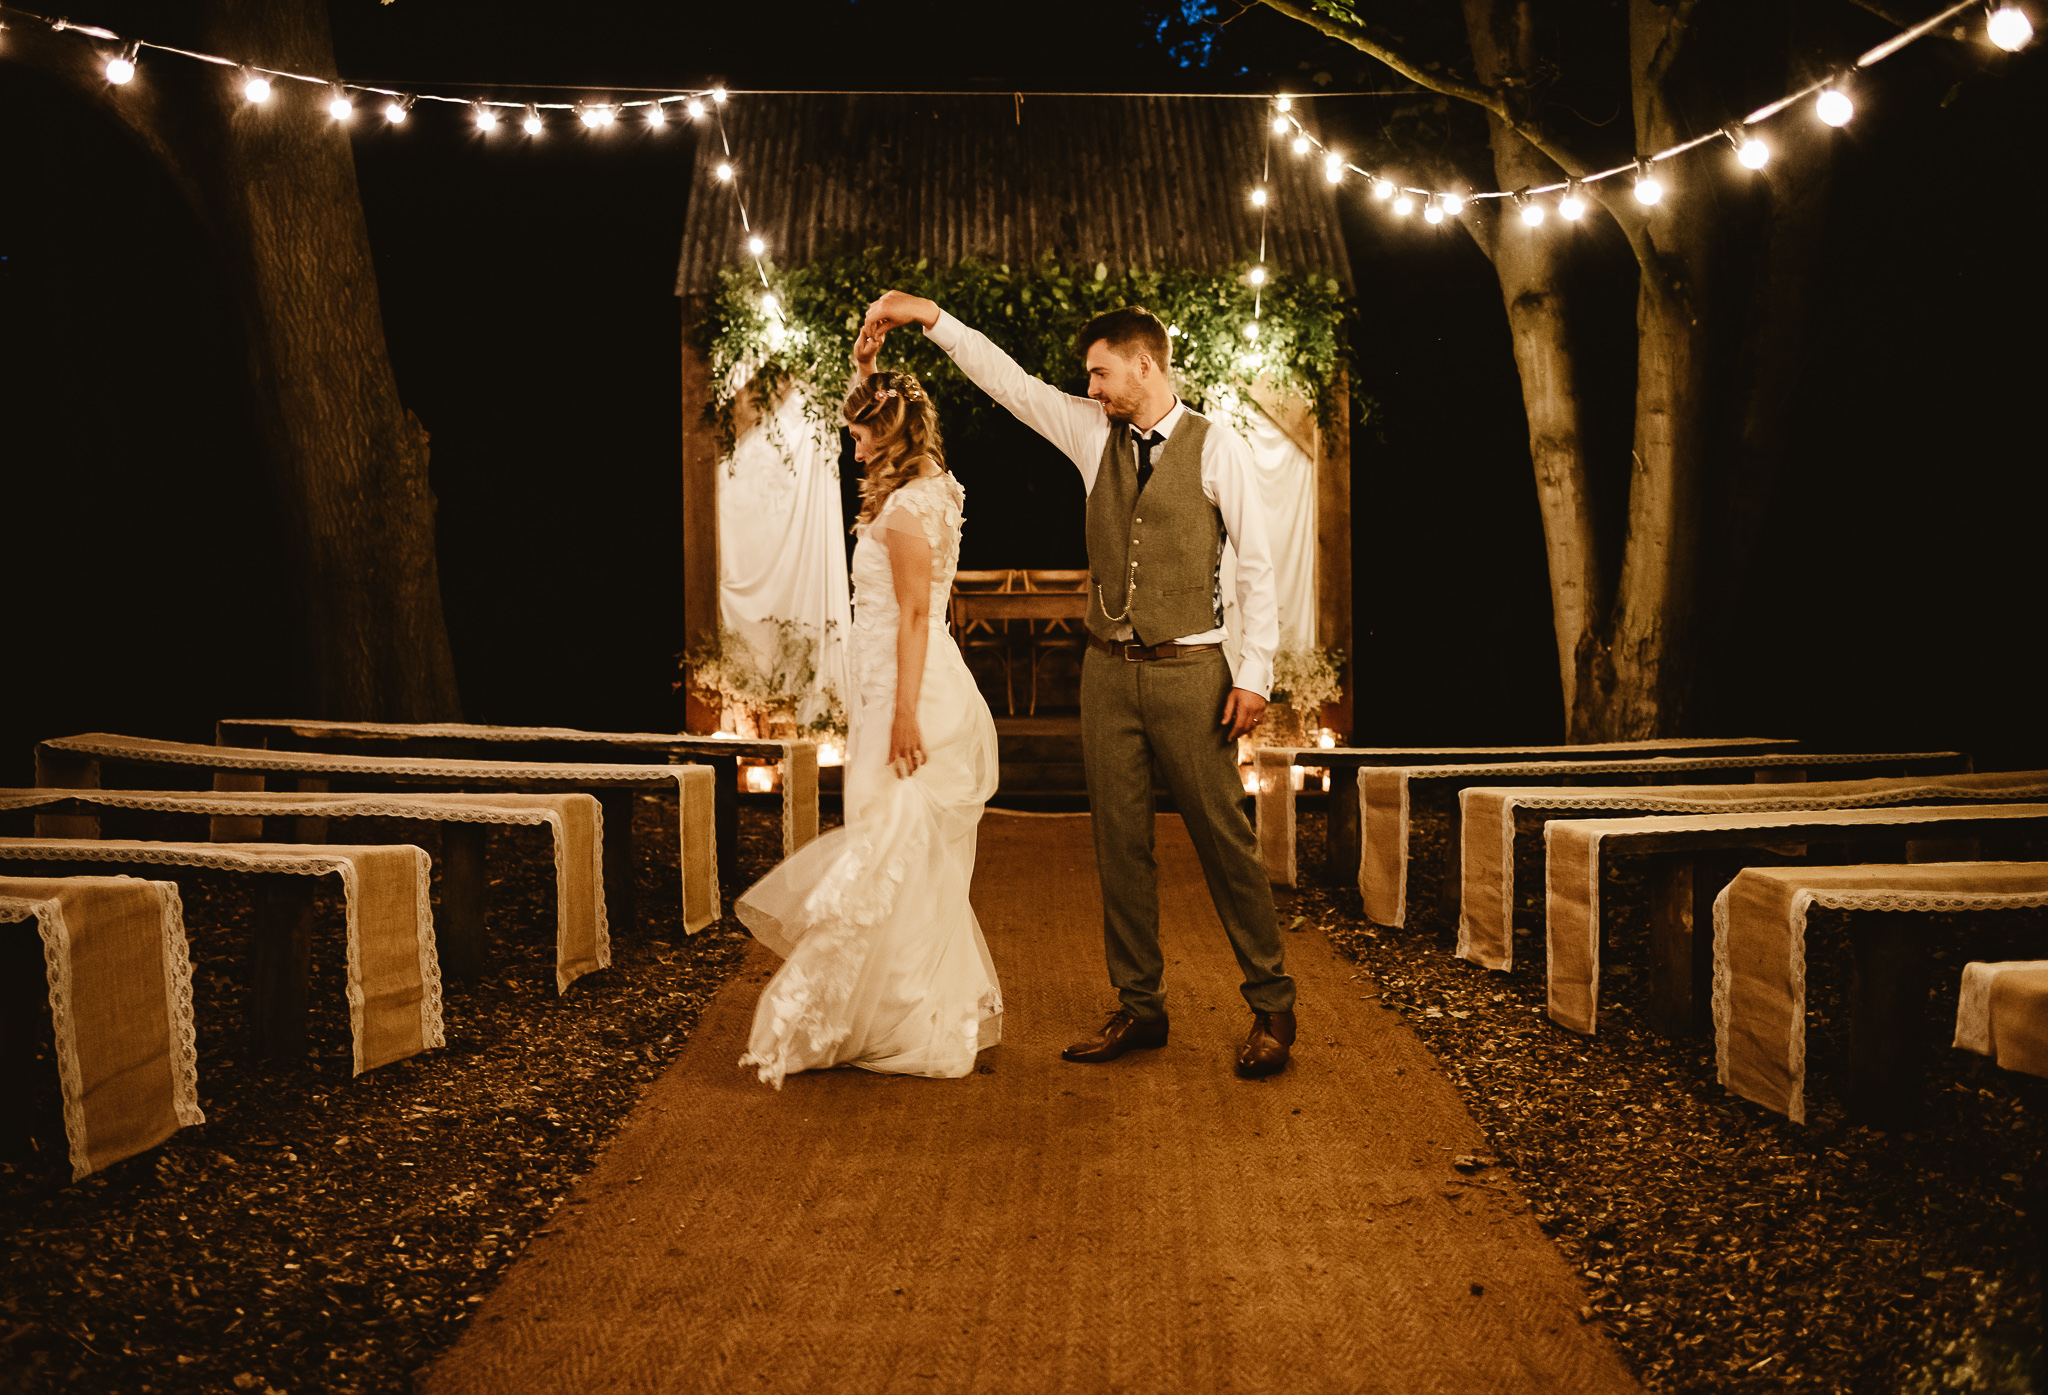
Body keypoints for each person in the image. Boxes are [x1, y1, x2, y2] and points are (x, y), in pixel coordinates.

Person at [857, 292, 1296, 1078]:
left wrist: (1254, 675)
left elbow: (1259, 568)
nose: (1090, 389)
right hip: (1106, 672)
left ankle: (1271, 1006)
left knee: (1224, 840)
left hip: (1193, 671)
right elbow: (1010, 383)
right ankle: (1140, 1005)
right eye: (1088, 378)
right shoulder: (1092, 434)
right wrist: (931, 317)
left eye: (1100, 373)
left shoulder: (1216, 445)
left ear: (1144, 363)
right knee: (1118, 844)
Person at [735, 341, 1002, 1089]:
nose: (852, 442)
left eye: (861, 432)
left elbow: (918, 615)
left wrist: (905, 715)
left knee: (889, 854)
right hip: (891, 685)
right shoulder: (929, 488)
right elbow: (885, 402)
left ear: (890, 434)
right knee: (905, 859)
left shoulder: (912, 509)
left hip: (908, 692)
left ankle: (907, 1016)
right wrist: (866, 362)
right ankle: (904, 1007)